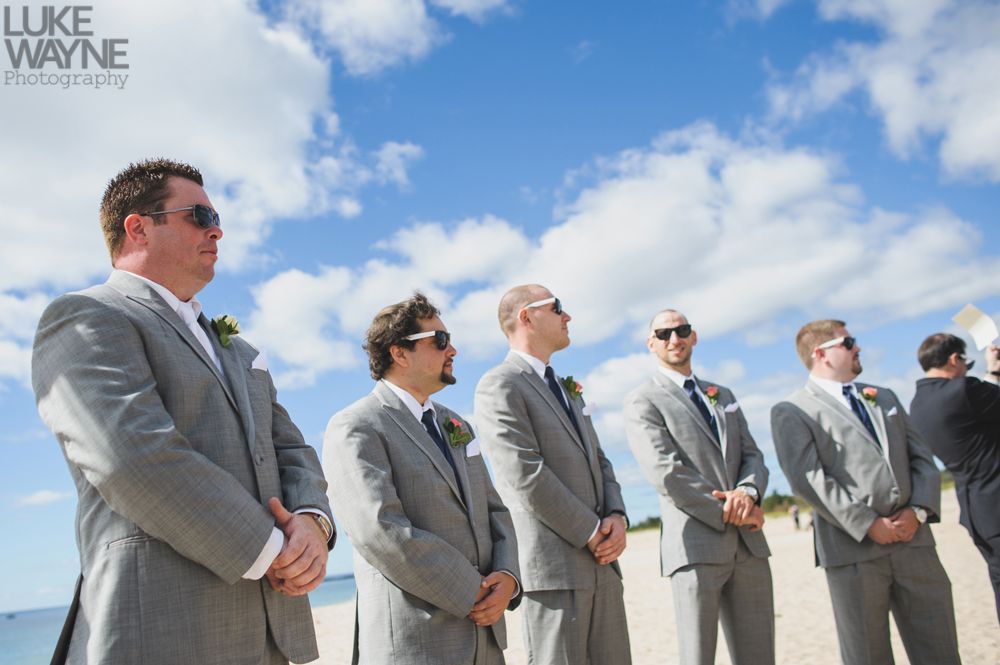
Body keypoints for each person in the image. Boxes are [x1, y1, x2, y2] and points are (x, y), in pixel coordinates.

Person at [31, 159, 334, 664]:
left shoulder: (238, 348)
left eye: (217, 219)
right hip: (164, 630)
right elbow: (131, 455)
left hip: (275, 634)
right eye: (198, 215)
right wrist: (269, 549)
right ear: (138, 227)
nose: (217, 230)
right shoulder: (88, 315)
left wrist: (311, 524)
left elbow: (290, 448)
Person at [323, 293, 521, 665]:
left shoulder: (456, 423)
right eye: (440, 340)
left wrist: (508, 576)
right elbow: (380, 530)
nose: (454, 350)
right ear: (399, 352)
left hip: (486, 637)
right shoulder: (356, 425)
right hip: (415, 642)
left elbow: (495, 508)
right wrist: (472, 591)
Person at [770, 319, 960, 665]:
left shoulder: (883, 396)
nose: (858, 347)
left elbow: (922, 458)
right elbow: (807, 478)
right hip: (852, 552)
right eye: (848, 342)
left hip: (914, 543)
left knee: (941, 649)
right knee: (867, 657)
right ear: (821, 354)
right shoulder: (792, 410)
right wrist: (868, 523)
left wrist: (917, 511)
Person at [474, 284, 631, 665]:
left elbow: (600, 459)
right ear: (526, 316)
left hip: (604, 566)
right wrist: (592, 532)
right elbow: (524, 474)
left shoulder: (568, 389)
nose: (567, 316)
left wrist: (617, 517)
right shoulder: (500, 384)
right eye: (557, 307)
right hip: (554, 571)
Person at [623, 309, 774, 665]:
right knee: (698, 656)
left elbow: (753, 454)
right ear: (651, 344)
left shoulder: (723, 394)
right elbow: (666, 472)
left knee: (760, 655)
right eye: (663, 334)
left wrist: (748, 494)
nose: (673, 339)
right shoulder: (642, 399)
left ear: (694, 336)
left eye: (682, 330)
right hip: (694, 545)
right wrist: (729, 510)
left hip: (749, 546)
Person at [909, 333, 1000, 624]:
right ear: (953, 360)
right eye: (966, 363)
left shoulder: (919, 404)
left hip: (978, 512)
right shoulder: (964, 390)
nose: (966, 370)